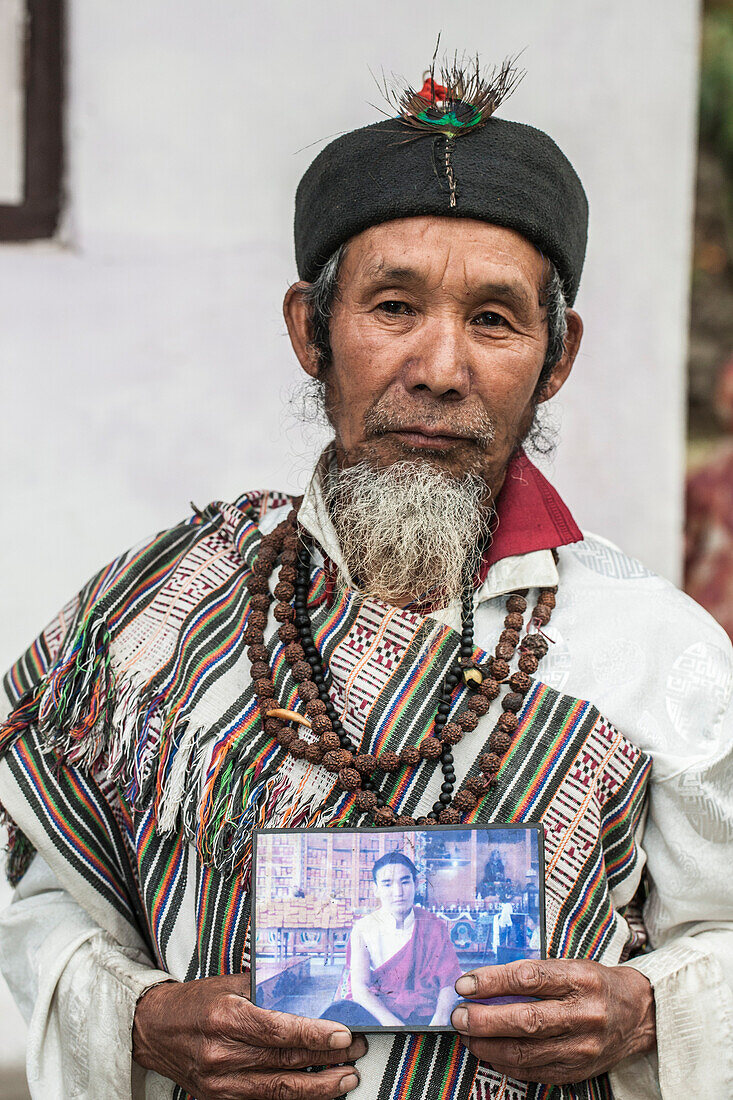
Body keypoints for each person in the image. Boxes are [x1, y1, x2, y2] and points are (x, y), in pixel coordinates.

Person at [0, 53, 732, 1100]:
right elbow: (34, 888)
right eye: (393, 306)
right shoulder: (165, 608)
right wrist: (139, 1015)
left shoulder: (656, 657)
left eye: (493, 319)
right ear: (311, 330)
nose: (439, 367)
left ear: (556, 356)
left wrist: (652, 1007)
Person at [322, 851, 462, 1027]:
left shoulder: (434, 926)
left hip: (426, 1014)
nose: (398, 892)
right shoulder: (363, 929)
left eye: (405, 882)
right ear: (376, 889)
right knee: (338, 1013)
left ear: (415, 884)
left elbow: (449, 982)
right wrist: (393, 1025)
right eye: (387, 884)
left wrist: (439, 1021)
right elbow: (360, 988)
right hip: (379, 1015)